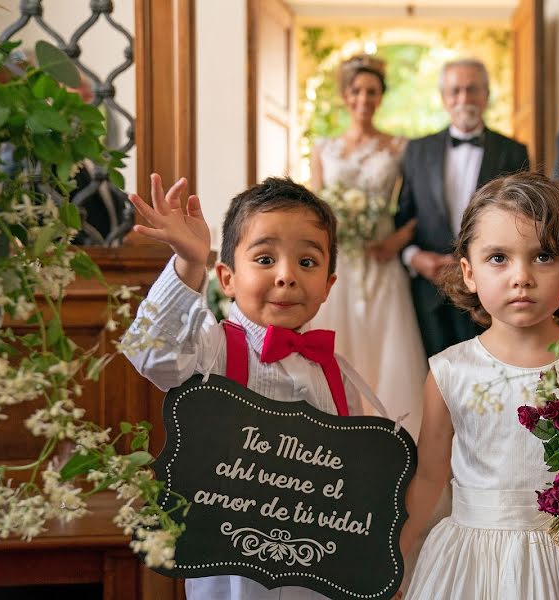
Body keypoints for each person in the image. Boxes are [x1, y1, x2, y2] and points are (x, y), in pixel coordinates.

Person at [399, 171, 559, 599]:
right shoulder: (451, 371)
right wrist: (397, 559)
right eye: (498, 258)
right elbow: (428, 476)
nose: (522, 276)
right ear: (469, 271)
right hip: (476, 564)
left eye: (543, 256)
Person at [124, 174, 364, 599]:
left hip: (317, 568)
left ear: (328, 286)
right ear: (228, 278)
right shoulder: (212, 350)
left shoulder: (338, 373)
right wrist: (188, 262)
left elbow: (355, 475)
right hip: (231, 569)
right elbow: (151, 351)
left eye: (307, 263)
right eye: (265, 259)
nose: (287, 276)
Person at [310, 54, 426, 441]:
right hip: (340, 266)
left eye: (372, 92)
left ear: (381, 97)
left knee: (385, 349)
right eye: (356, 90)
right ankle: (334, 438)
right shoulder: (323, 148)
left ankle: (393, 441)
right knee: (339, 345)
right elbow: (313, 209)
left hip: (382, 264)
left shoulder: (400, 147)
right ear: (345, 96)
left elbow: (417, 208)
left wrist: (398, 239)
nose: (364, 98)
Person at [395, 58, 529, 359]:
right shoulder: (417, 150)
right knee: (438, 375)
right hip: (431, 290)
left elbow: (524, 223)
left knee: (491, 371)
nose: (463, 99)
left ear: (486, 95)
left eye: (472, 90)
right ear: (444, 98)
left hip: (491, 288)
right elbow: (403, 216)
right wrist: (414, 258)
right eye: (455, 91)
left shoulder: (513, 151)